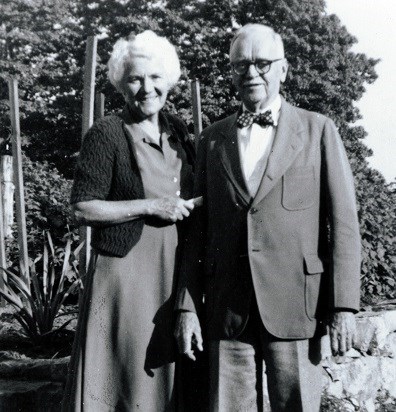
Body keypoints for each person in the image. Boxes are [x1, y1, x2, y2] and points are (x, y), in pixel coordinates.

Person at [174, 23, 361, 411]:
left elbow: (343, 222)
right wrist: (188, 307)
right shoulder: (211, 139)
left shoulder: (318, 130)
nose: (251, 73)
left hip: (296, 303)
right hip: (227, 307)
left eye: (262, 63)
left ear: (283, 70)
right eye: (240, 64)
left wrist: (343, 306)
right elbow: (196, 231)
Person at [62, 30, 196, 411]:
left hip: (172, 274)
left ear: (168, 79)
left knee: (166, 380)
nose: (146, 88)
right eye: (136, 78)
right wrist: (150, 206)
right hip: (124, 278)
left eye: (155, 77)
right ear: (122, 83)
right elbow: (82, 207)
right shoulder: (106, 133)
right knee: (122, 379)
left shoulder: (180, 133)